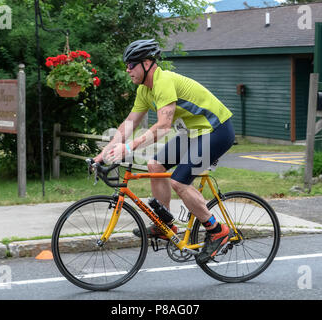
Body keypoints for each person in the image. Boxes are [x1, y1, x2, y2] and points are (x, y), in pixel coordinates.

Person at [94, 39, 235, 263]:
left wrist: (129, 147)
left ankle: (217, 230)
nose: (127, 70)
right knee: (154, 165)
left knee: (179, 182)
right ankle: (165, 224)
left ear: (147, 63)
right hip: (193, 133)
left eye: (131, 64)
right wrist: (102, 155)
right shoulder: (144, 90)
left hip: (216, 129)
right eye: (127, 65)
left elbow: (163, 127)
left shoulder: (164, 82)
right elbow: (129, 124)